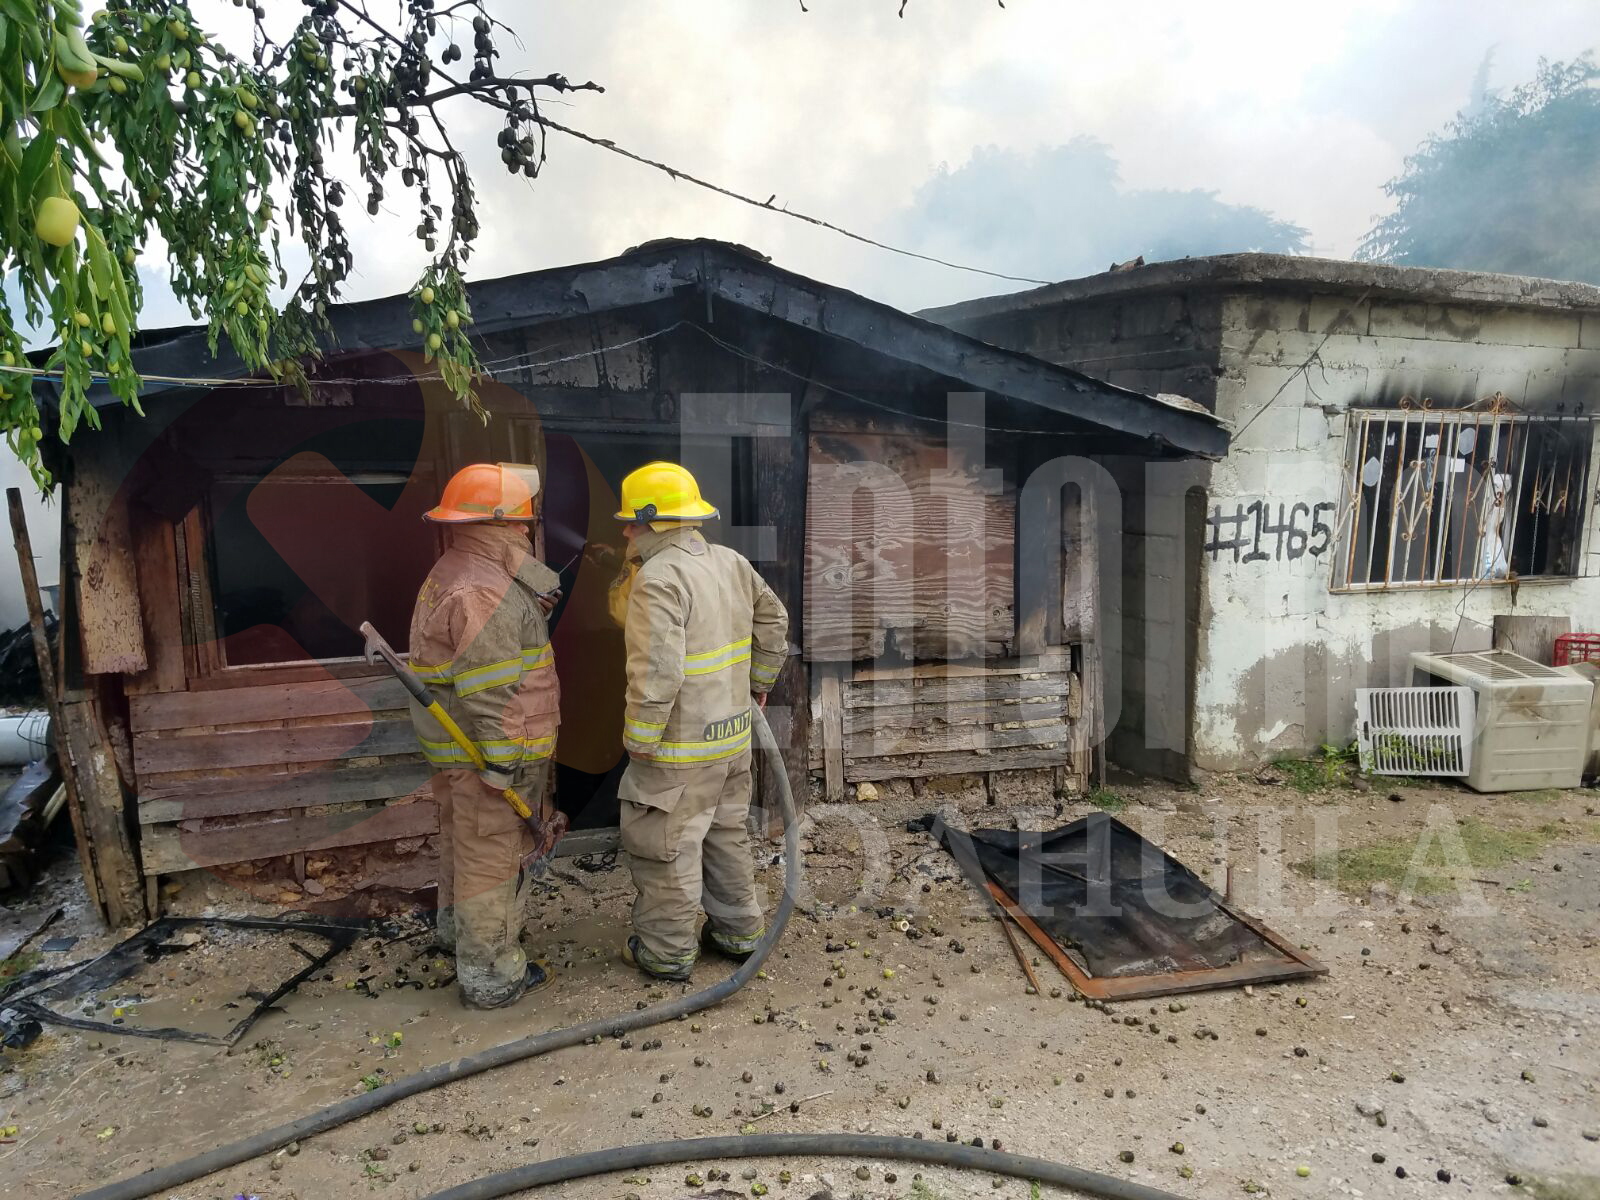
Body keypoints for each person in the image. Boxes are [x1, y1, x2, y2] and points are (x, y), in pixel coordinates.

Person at [612, 461, 789, 981]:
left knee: (664, 848)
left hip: (678, 754)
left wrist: (640, 739)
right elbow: (774, 619)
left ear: (653, 520)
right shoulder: (731, 562)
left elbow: (658, 671)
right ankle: (738, 934)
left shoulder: (657, 579)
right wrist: (760, 683)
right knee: (725, 834)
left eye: (630, 521)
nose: (624, 530)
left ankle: (666, 953)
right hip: (732, 741)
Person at [407, 462, 567, 1008]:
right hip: (488, 758)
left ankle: (459, 938)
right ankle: (492, 973)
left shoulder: (463, 566)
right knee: (492, 857)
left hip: (460, 755)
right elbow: (491, 694)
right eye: (521, 520)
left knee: (464, 844)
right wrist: (507, 767)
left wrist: (531, 597)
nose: (527, 528)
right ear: (500, 523)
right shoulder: (482, 591)